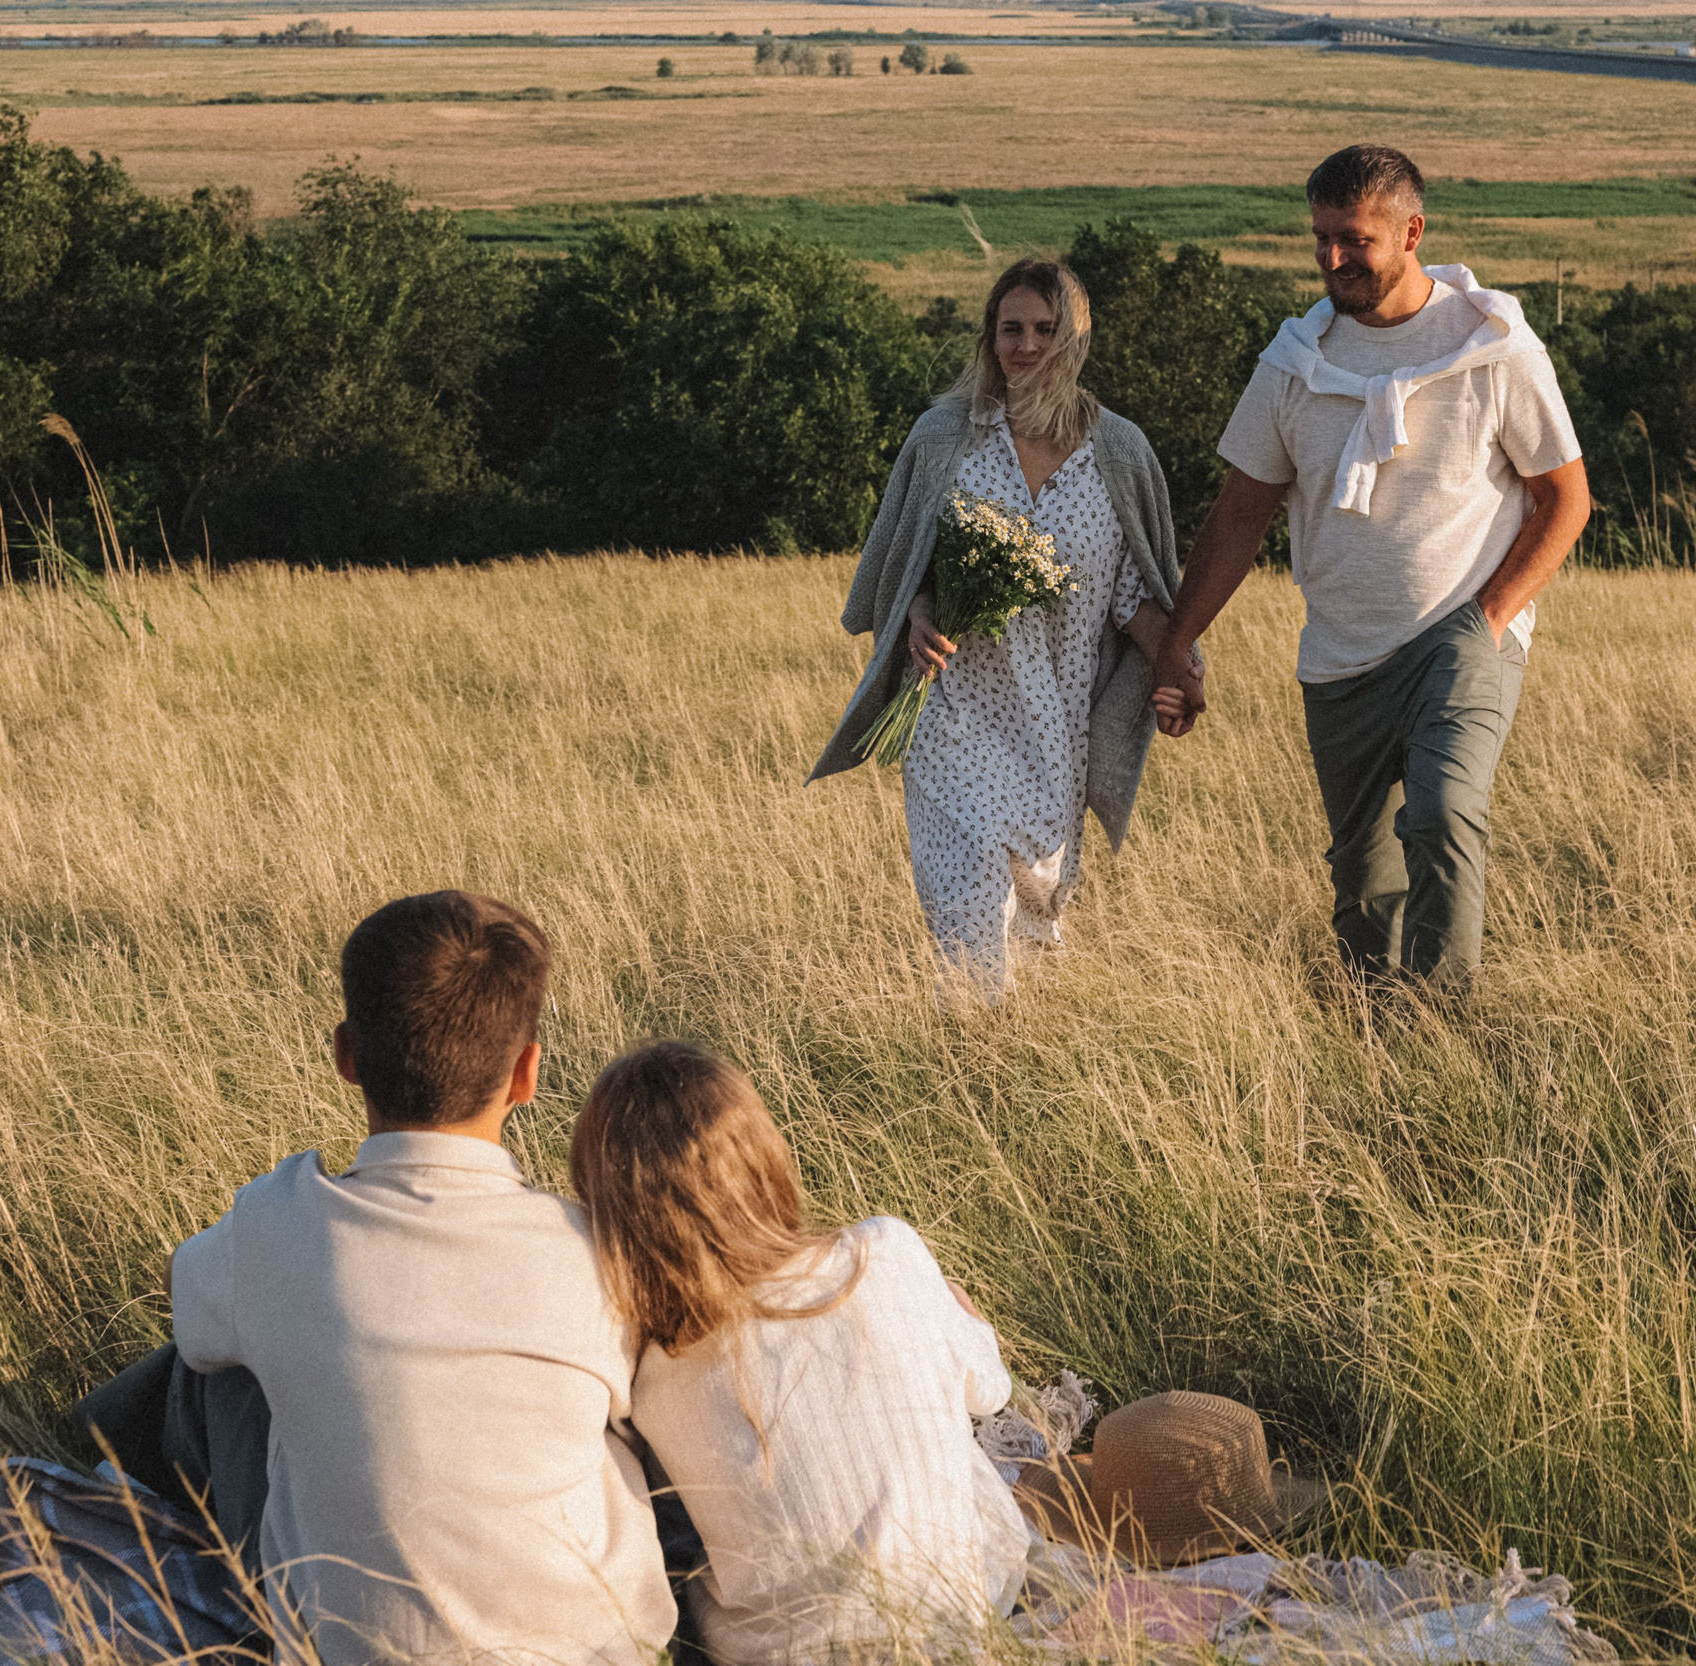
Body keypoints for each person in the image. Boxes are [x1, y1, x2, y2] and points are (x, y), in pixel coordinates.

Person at [164, 892, 675, 1666]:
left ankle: (89, 1466)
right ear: (527, 1072)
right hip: (605, 1652)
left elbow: (183, 1294)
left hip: (346, 1648)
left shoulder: (274, 1226)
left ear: (346, 1055)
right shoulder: (593, 1252)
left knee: (211, 1366)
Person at [1148, 144, 1591, 995]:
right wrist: (1177, 642)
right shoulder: (1294, 361)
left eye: (1355, 239)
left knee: (1443, 813)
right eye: (1321, 238)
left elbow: (1565, 498)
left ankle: (1442, 1025)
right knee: (1363, 880)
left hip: (1461, 633)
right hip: (1341, 655)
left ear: (1412, 232)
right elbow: (1240, 513)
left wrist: (1490, 619)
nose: (1332, 258)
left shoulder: (1493, 346)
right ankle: (1377, 1033)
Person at [568, 1041, 1028, 1665]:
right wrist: (960, 1312)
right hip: (955, 1630)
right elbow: (992, 1392)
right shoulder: (886, 1251)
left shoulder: (652, 1374)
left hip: (767, 1656)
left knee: (682, 1516)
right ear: (766, 1159)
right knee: (954, 1446)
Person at [810, 258, 1197, 995]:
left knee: (1038, 904)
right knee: (970, 897)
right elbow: (904, 563)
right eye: (1011, 329)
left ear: (1076, 339)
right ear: (989, 337)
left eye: (1046, 330)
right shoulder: (944, 437)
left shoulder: (1118, 451)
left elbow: (1134, 593)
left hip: (1056, 729)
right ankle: (970, 1034)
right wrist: (918, 614)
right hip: (954, 710)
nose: (1027, 346)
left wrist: (1179, 667)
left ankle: (1013, 1043)